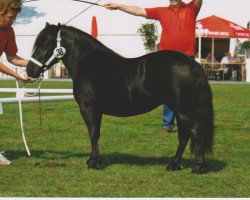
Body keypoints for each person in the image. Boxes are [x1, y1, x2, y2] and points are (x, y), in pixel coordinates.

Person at [104, 0, 203, 133]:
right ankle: (167, 124)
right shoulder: (162, 11)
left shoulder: (191, 9)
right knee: (168, 90)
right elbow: (138, 11)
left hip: (186, 58)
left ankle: (192, 122)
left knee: (190, 91)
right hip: (166, 58)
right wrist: (118, 6)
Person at [0, 0, 33, 165]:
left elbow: (12, 57)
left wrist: (35, 64)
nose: (13, 20)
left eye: (14, 18)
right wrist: (18, 76)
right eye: (10, 17)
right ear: (1, 12)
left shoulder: (9, 31)